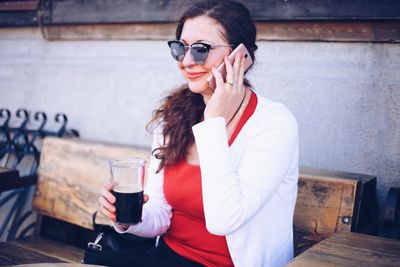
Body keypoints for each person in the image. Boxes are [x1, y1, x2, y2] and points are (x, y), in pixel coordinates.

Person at [99, 0, 298, 266]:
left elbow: (224, 220)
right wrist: (127, 218)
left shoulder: (273, 123)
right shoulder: (173, 118)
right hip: (167, 257)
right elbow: (161, 213)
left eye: (202, 49)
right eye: (180, 48)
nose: (187, 61)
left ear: (241, 56)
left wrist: (213, 120)